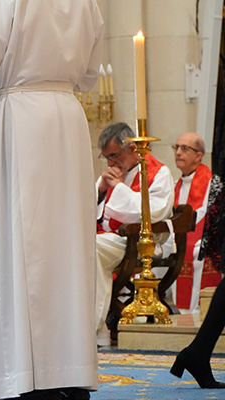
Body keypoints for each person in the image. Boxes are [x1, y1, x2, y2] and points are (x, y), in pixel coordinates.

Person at [0, 1, 102, 398]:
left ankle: (28, 375)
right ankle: (71, 370)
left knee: (20, 243)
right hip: (66, 114)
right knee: (66, 248)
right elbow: (89, 74)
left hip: (20, 114)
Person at [94, 122, 174, 346]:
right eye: (106, 157)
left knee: (89, 249)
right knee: (76, 247)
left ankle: (94, 329)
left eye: (114, 155)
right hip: (110, 239)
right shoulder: (112, 175)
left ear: (131, 148)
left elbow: (152, 212)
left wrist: (118, 187)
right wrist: (100, 190)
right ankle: (85, 327)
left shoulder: (158, 172)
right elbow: (89, 210)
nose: (110, 163)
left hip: (138, 242)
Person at [171, 132, 218, 313]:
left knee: (198, 249)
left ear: (199, 155)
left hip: (201, 233)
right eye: (176, 147)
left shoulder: (212, 183)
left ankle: (196, 310)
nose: (178, 153)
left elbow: (207, 215)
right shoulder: (176, 184)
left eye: (185, 148)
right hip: (178, 234)